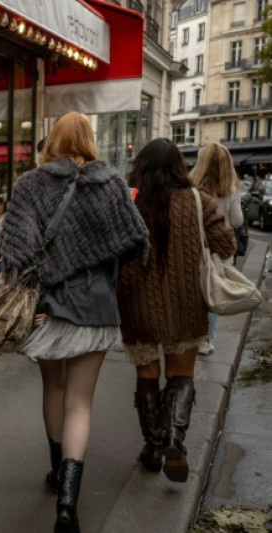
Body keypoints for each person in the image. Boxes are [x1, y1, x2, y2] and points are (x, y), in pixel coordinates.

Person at [0, 112, 149, 533]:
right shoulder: (113, 185)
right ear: (89, 140)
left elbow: (18, 251)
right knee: (80, 402)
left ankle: (54, 472)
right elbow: (135, 241)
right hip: (97, 305)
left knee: (55, 388)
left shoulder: (32, 184)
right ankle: (68, 503)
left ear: (52, 140)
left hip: (50, 304)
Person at [118, 138, 235, 485]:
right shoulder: (199, 200)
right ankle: (173, 437)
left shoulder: (129, 200)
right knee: (181, 375)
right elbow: (226, 246)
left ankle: (153, 449)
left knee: (147, 376)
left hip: (137, 303)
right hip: (186, 303)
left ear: (140, 165)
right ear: (178, 166)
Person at [188, 142, 244, 355]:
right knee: (214, 293)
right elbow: (237, 221)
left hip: (196, 246)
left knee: (196, 293)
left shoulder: (192, 187)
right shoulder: (231, 188)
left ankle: (193, 335)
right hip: (220, 249)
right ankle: (206, 340)